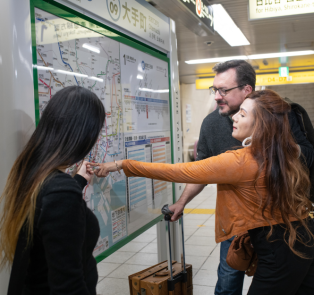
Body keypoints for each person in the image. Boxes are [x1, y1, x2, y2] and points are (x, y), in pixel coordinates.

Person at [92, 89, 314, 294]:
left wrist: (121, 164)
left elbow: (178, 171)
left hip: (279, 250)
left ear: (262, 125)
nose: (234, 117)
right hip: (302, 237)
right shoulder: (282, 151)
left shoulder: (241, 161)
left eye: (243, 115)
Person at [0, 86, 105, 295]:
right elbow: (68, 288)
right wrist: (70, 187)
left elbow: (49, 213)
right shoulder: (60, 193)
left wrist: (78, 181)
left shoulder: (31, 174)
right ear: (83, 134)